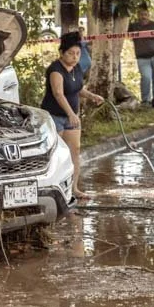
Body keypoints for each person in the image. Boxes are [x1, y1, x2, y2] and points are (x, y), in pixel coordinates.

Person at [40, 31, 104, 200]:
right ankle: (54, 190)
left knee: (74, 151)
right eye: (70, 53)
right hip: (56, 116)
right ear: (62, 53)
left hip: (72, 117)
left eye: (78, 53)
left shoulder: (76, 69)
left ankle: (74, 189)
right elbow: (58, 93)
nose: (75, 57)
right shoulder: (55, 70)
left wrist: (92, 96)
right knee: (56, 154)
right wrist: (70, 114)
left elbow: (77, 89)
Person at [127, 3, 154, 107]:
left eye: (146, 14)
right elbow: (122, 33)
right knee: (146, 78)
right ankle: (145, 101)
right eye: (141, 14)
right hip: (142, 58)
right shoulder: (133, 26)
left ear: (149, 15)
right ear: (138, 15)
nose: (144, 16)